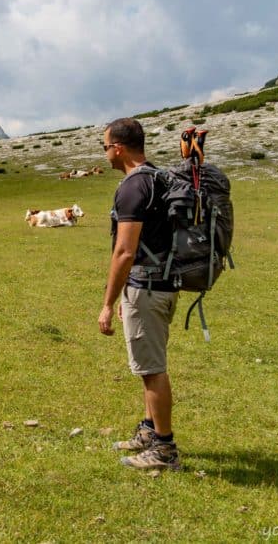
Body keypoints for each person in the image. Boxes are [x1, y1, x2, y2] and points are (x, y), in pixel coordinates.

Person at [97, 117, 181, 471]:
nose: (105, 155)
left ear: (118, 147)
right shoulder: (159, 178)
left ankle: (164, 450)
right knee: (149, 365)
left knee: (152, 369)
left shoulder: (133, 187)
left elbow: (125, 251)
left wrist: (107, 301)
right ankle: (149, 431)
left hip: (148, 288)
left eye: (105, 148)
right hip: (158, 284)